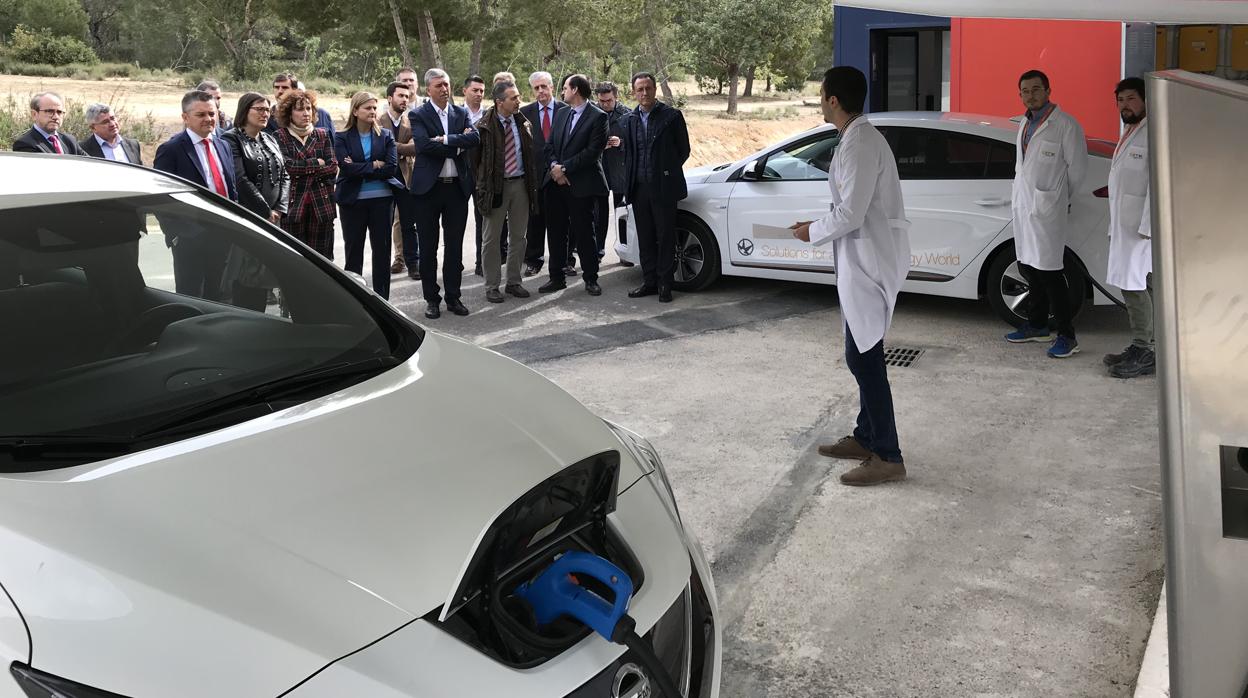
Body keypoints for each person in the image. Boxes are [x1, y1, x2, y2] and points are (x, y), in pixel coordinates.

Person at [791, 67, 911, 487]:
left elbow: (853, 212)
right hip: (860, 257)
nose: (820, 101)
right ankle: (866, 437)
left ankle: (889, 455)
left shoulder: (861, 142)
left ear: (834, 100)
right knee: (860, 352)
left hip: (869, 261)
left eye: (822, 95)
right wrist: (818, 224)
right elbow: (850, 206)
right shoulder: (856, 138)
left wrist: (814, 232)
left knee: (866, 358)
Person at [1004, 69, 1088, 358]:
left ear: (1048, 90)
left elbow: (1078, 171)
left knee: (1051, 273)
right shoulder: (1024, 124)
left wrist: (1059, 199)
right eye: (1025, 91)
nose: (1031, 95)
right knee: (1029, 268)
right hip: (1026, 207)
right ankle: (1037, 325)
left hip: (1048, 208)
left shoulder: (1065, 125)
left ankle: (1067, 335)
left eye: (1036, 89)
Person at [408, 68, 481, 319]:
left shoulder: (461, 113)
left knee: (454, 248)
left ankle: (454, 297)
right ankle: (432, 299)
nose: (444, 89)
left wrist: (446, 140)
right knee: (428, 249)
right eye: (439, 85)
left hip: (456, 190)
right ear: (428, 89)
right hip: (428, 190)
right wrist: (457, 145)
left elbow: (475, 139)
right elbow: (423, 146)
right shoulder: (418, 114)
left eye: (447, 84)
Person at [153, 90, 239, 300]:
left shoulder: (223, 145)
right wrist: (177, 234)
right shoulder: (171, 149)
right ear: (185, 117)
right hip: (190, 238)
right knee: (192, 295)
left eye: (212, 113)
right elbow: (160, 199)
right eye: (201, 115)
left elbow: (231, 189)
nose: (209, 119)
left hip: (225, 232)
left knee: (220, 294)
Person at [1102, 77, 1155, 379]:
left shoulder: (1152, 133)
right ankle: (1146, 346)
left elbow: (1155, 184)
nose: (1125, 105)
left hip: (1140, 227)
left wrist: (1148, 224)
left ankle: (1144, 349)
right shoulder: (1130, 131)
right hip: (1126, 223)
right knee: (1139, 283)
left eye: (1132, 99)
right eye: (1121, 100)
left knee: (1134, 286)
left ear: (1146, 100)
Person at [538, 74, 608, 296]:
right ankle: (556, 277)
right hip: (556, 183)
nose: (562, 92)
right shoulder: (561, 113)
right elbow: (549, 146)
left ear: (576, 89)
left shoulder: (598, 117)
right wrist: (555, 168)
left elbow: (592, 152)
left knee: (585, 232)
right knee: (556, 232)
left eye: (565, 87)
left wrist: (565, 168)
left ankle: (590, 278)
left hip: (582, 184)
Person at [623, 72, 690, 303]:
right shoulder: (630, 119)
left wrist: (666, 170)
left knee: (665, 236)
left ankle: (665, 284)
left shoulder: (671, 116)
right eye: (639, 89)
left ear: (655, 89)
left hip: (663, 187)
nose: (644, 93)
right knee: (646, 237)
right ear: (634, 92)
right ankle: (649, 281)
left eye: (648, 88)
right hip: (639, 187)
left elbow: (683, 150)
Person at [470, 80, 539, 303]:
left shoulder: (523, 123)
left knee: (519, 237)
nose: (519, 101)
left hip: (520, 185)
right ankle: (492, 286)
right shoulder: (483, 126)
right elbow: (475, 162)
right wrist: (483, 187)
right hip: (495, 187)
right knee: (490, 240)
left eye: (518, 96)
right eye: (514, 98)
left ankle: (514, 282)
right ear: (500, 102)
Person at [221, 93, 288, 310]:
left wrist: (279, 208)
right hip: (249, 217)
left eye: (267, 110)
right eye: (258, 109)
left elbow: (284, 175)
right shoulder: (231, 139)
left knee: (263, 276)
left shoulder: (269, 138)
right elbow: (239, 178)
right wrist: (265, 210)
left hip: (273, 218)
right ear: (244, 111)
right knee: (247, 276)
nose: (264, 114)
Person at [335, 91, 404, 300]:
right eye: (367, 108)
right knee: (353, 253)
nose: (373, 111)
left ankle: (383, 300)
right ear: (355, 111)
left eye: (375, 107)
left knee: (382, 253)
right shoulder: (342, 137)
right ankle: (354, 301)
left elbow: (391, 168)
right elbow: (345, 169)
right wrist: (374, 165)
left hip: (382, 202)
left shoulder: (385, 135)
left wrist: (359, 167)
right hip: (353, 202)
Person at [274, 89, 338, 260]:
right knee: (294, 259)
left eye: (308, 108)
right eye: (300, 109)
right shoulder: (280, 136)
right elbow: (287, 168)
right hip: (293, 207)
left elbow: (332, 167)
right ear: (289, 112)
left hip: (322, 206)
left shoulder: (322, 134)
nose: (306, 113)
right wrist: (316, 163)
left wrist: (301, 171)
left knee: (323, 260)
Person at [519, 71, 567, 277]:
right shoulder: (524, 113)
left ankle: (566, 261)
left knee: (563, 222)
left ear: (552, 86)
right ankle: (534, 260)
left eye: (544, 87)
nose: (541, 91)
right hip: (535, 176)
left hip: (562, 174)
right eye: (536, 88)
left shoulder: (566, 110)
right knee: (535, 220)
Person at [380, 80, 419, 279]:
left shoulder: (412, 121)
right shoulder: (377, 121)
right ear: (390, 98)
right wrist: (402, 148)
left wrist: (392, 148)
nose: (405, 99)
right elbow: (377, 150)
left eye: (407, 96)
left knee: (408, 224)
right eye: (400, 96)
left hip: (406, 178)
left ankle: (413, 263)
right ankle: (389, 261)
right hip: (384, 180)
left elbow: (416, 147)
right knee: (384, 224)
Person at [595, 81, 630, 261]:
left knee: (622, 213)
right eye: (602, 100)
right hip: (599, 169)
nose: (605, 104)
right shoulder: (593, 112)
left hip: (620, 170)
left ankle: (625, 252)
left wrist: (621, 142)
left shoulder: (627, 114)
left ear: (616, 97)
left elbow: (635, 141)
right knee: (599, 214)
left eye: (609, 100)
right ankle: (598, 251)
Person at [12, 92, 84, 155]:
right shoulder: (25, 144)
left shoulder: (69, 140)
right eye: (49, 111)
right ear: (34, 114)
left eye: (59, 112)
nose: (55, 117)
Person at [268, 73, 336, 138]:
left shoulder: (321, 114)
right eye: (276, 87)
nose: (280, 91)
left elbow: (332, 144)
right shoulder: (266, 117)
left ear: (295, 90)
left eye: (285, 87)